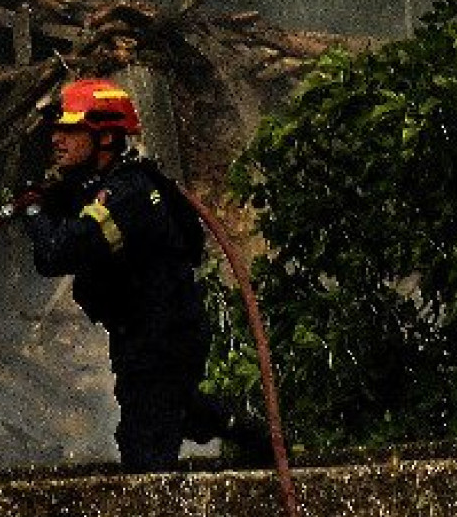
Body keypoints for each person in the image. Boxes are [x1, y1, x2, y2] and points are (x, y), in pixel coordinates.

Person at [13, 78, 268, 472]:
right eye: (57, 129)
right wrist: (42, 203)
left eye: (70, 129)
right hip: (143, 335)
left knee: (145, 452)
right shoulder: (101, 187)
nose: (57, 139)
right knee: (172, 410)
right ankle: (241, 430)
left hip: (162, 339)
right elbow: (66, 226)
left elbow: (55, 254)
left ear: (106, 138)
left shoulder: (128, 196)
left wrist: (33, 213)